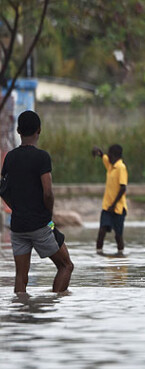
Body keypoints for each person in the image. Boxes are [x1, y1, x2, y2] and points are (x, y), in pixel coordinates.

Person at [0, 110, 74, 293]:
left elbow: (3, 190)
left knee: (21, 277)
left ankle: (21, 312)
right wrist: (49, 215)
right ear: (39, 130)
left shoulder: (10, 157)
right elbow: (47, 192)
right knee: (66, 266)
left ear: (18, 131)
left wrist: (16, 208)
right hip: (40, 224)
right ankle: (52, 305)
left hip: (18, 226)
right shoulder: (42, 157)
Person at [93, 144, 128, 256]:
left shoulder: (121, 167)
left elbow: (123, 188)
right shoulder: (110, 166)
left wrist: (114, 204)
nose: (107, 156)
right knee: (102, 231)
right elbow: (103, 157)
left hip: (118, 208)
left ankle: (120, 255)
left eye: (109, 154)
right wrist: (99, 152)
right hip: (107, 207)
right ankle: (98, 255)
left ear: (114, 155)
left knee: (118, 235)